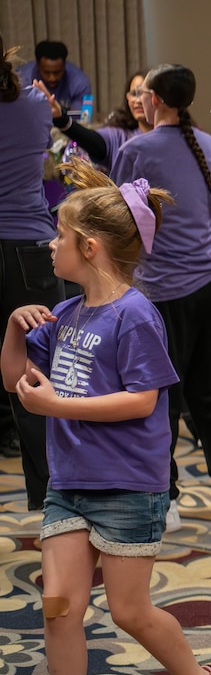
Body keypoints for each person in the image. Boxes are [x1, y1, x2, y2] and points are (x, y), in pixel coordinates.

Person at [1, 160, 211, 675]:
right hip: (69, 483)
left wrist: (57, 406)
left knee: (129, 611)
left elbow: (142, 401)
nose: (50, 246)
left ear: (89, 247)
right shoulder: (66, 314)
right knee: (58, 610)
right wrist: (15, 329)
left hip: (127, 486)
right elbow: (12, 377)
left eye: (59, 236)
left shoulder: (135, 314)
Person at [109, 64, 211, 528]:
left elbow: (120, 218)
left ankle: (164, 498)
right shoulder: (205, 141)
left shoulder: (137, 149)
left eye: (145, 94)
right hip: (209, 281)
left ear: (156, 100)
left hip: (162, 291)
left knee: (160, 397)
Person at [0, 33, 62, 506]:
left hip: (21, 245)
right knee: (40, 377)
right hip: (30, 248)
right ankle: (54, 504)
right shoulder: (38, 103)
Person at [41, 70, 151, 171]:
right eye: (134, 94)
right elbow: (93, 141)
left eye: (143, 93)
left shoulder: (167, 135)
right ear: (127, 98)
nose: (138, 100)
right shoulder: (119, 136)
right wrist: (61, 119)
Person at [16, 40, 92, 112]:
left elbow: (80, 119)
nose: (52, 78)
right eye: (46, 72)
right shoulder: (20, 79)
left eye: (57, 72)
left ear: (64, 66)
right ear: (38, 66)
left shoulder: (79, 82)